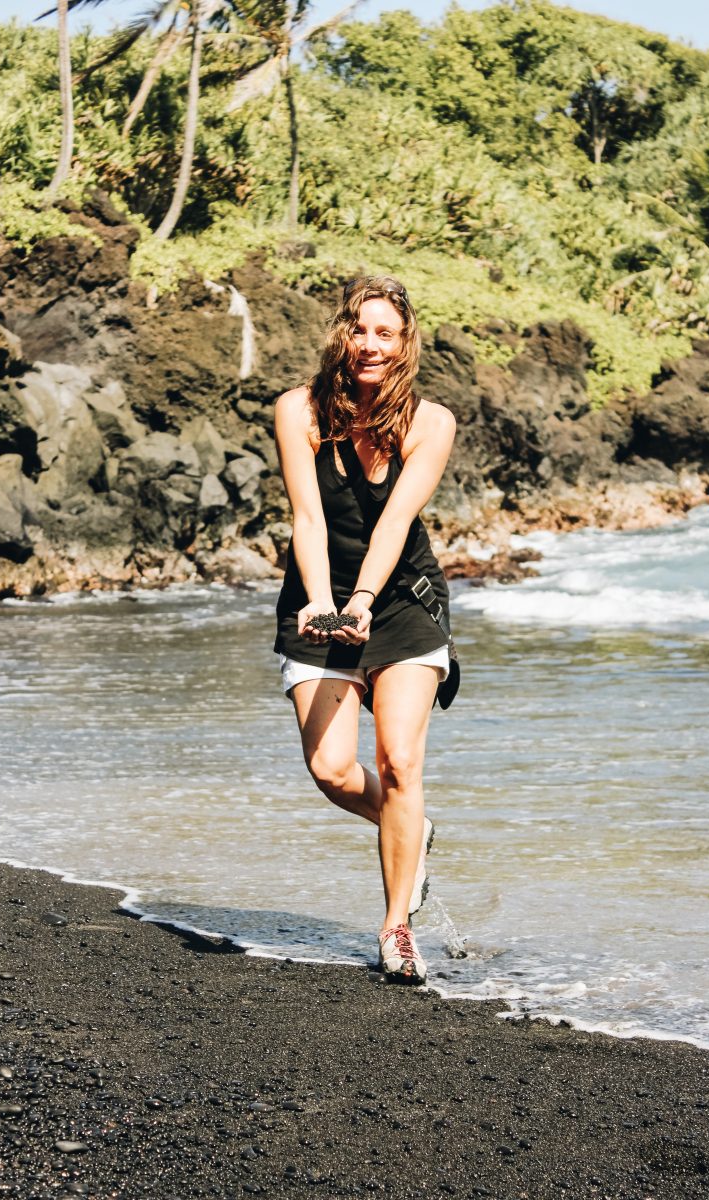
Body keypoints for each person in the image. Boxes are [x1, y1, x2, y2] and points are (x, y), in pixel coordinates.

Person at [273, 275, 456, 985]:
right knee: (331, 770)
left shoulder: (429, 423)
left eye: (387, 333)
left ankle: (396, 929)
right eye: (361, 330)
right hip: (317, 596)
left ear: (405, 344)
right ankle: (413, 830)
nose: (371, 345)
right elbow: (308, 518)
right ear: (342, 335)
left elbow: (395, 522)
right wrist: (322, 599)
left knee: (400, 763)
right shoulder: (301, 410)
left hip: (402, 602)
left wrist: (363, 601)